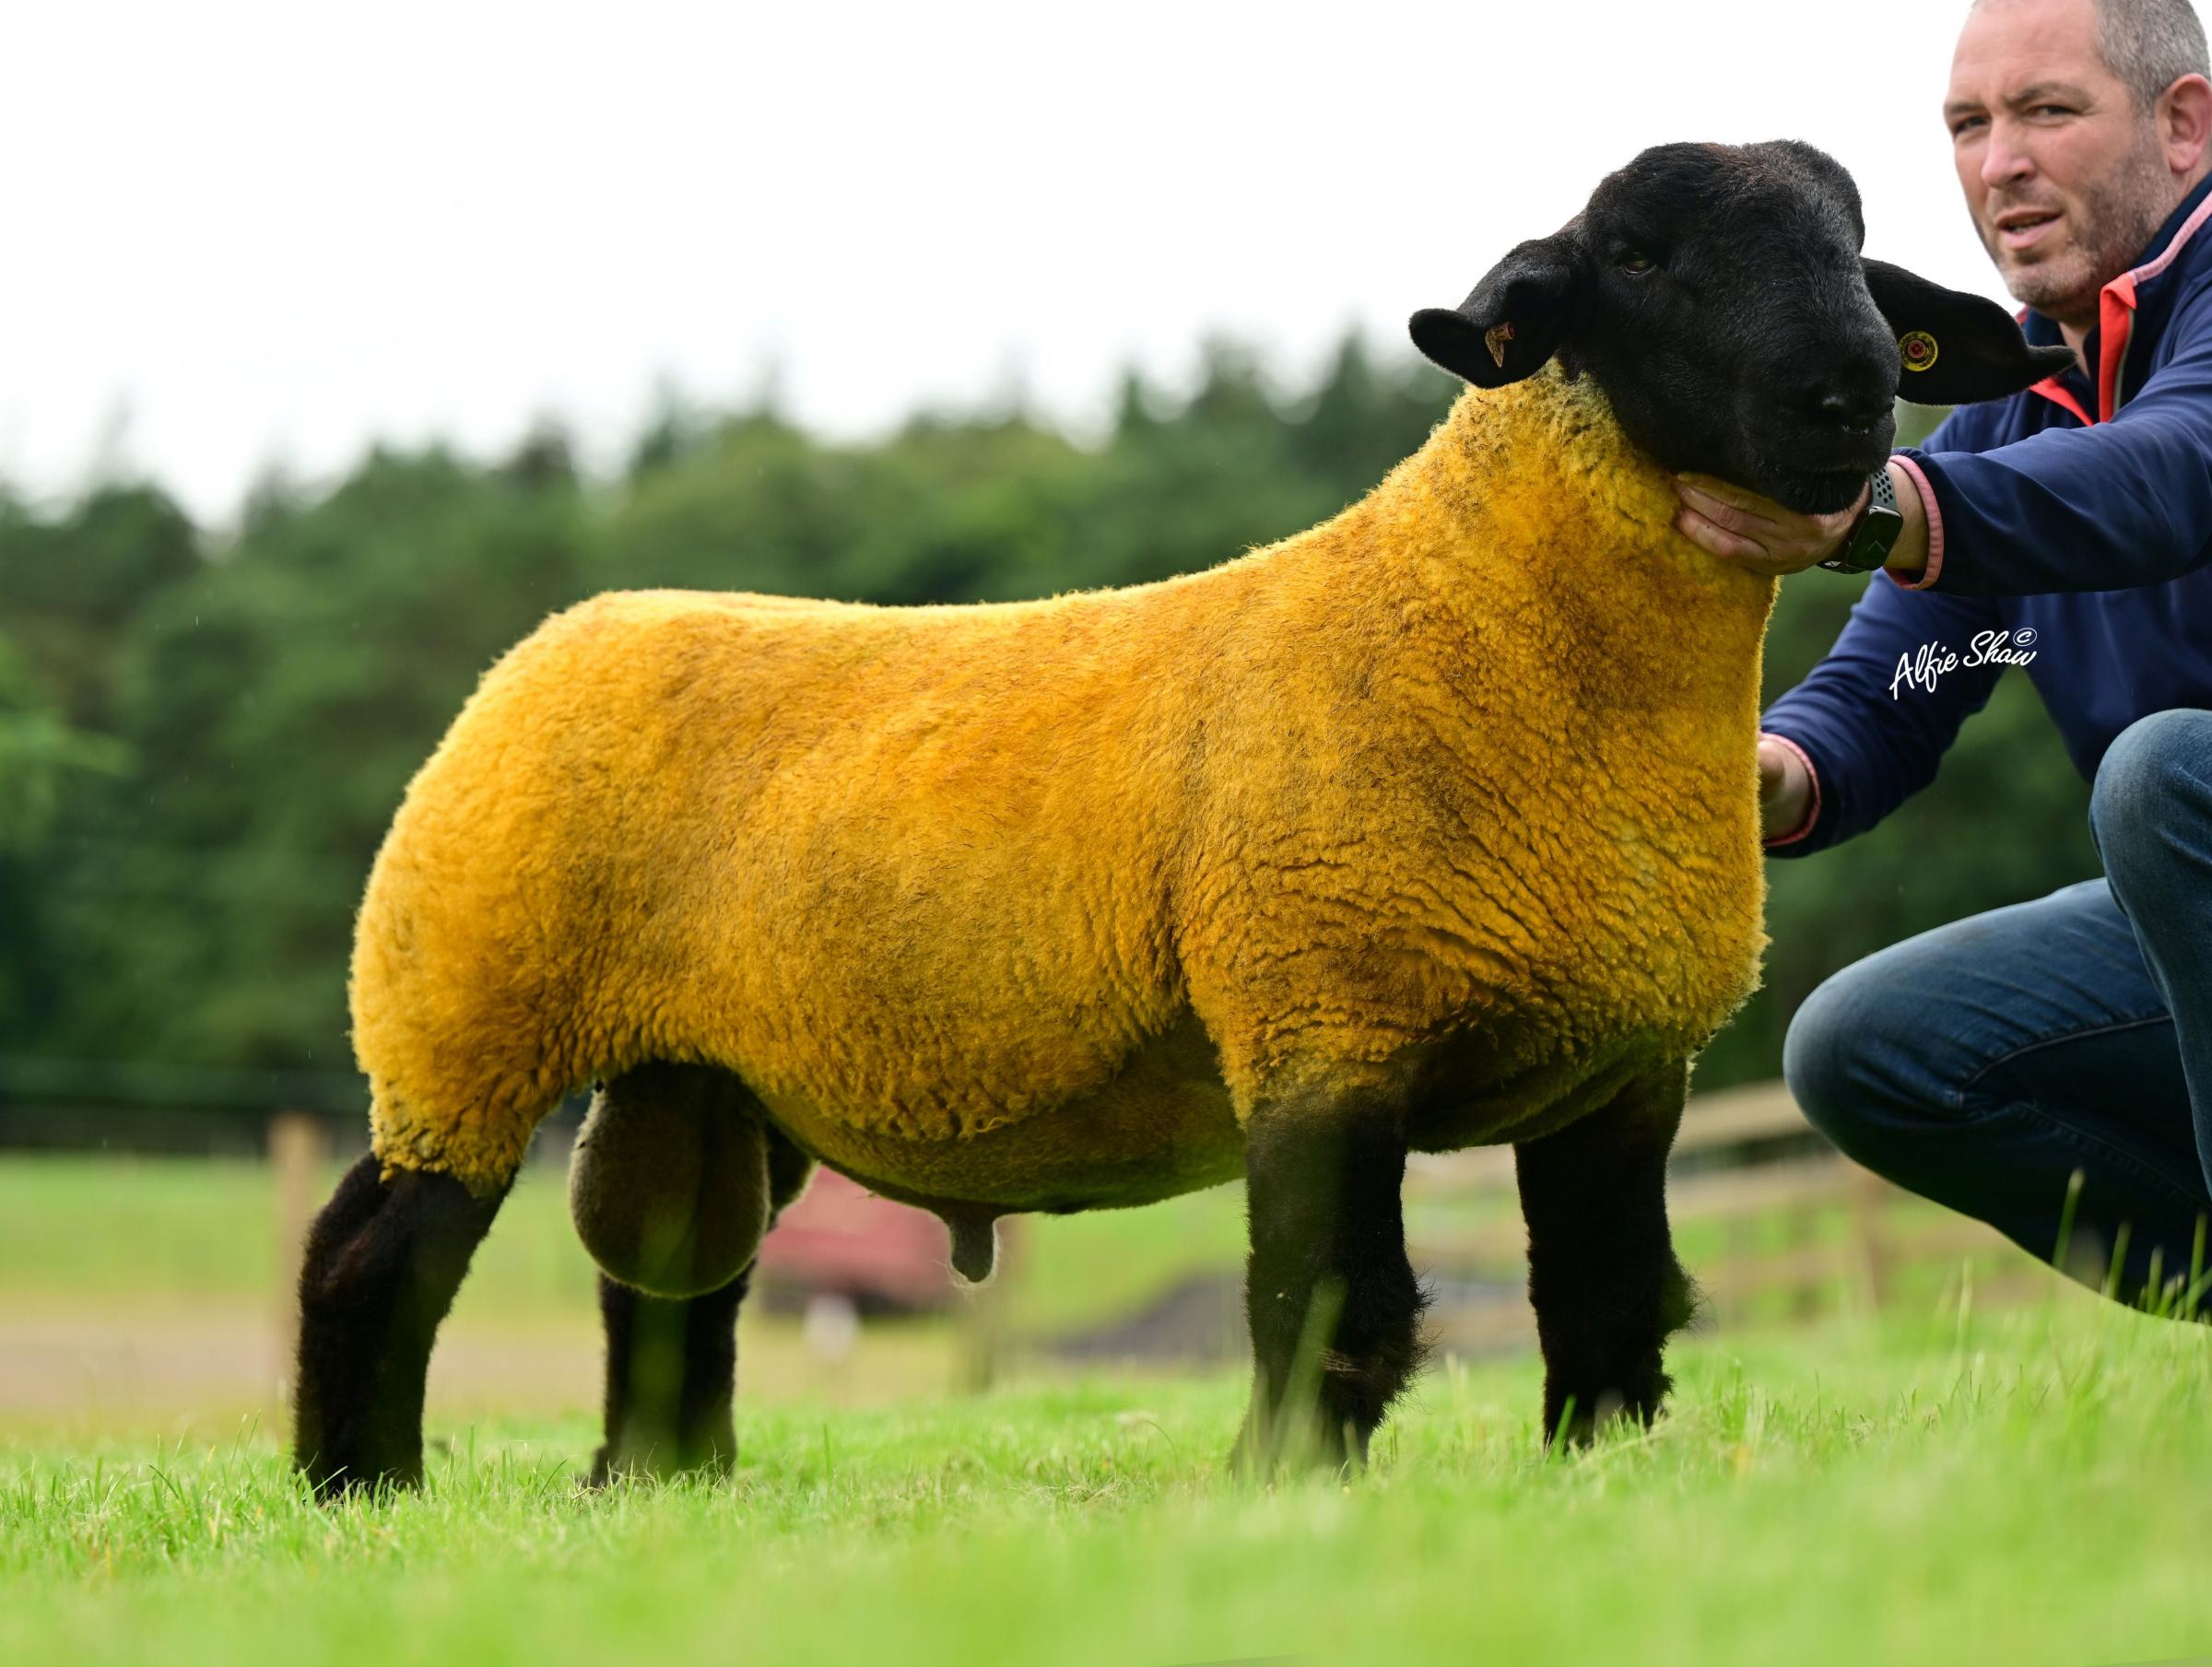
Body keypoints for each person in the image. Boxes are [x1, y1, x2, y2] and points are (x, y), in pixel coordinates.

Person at [1668, 0, 2212, 1313]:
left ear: (2186, 124)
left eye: (2047, 112)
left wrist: (1889, 509)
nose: (1998, 163)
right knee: (1865, 1046)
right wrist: (1766, 770)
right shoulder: (2014, 409)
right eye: (1970, 125)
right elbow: (1899, 687)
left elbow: (2179, 467)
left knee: (2161, 775)